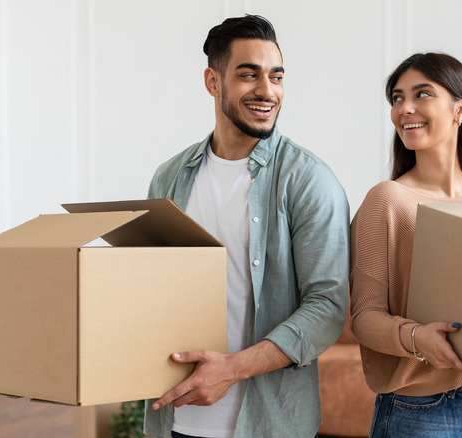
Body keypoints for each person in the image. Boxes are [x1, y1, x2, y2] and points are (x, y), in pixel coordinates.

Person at [144, 15, 349, 438]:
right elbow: (150, 292)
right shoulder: (168, 179)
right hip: (175, 417)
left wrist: (230, 371)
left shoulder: (310, 181)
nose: (267, 91)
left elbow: (327, 308)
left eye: (277, 76)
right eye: (249, 75)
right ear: (213, 82)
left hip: (267, 424)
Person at [349, 52, 462, 437]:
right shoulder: (387, 201)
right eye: (397, 98)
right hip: (422, 413)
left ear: (461, 110)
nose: (404, 108)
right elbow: (364, 317)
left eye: (422, 94)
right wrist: (416, 338)